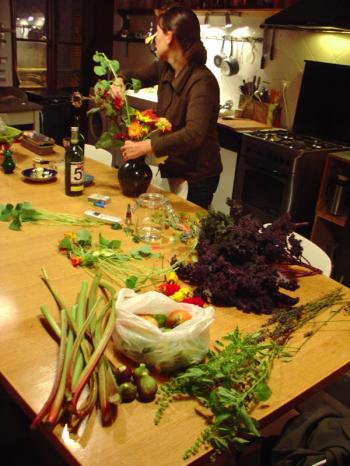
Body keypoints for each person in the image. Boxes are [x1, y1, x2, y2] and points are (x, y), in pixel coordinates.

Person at [119, 6, 222, 209]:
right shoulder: (165, 68)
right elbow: (134, 76)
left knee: (188, 234)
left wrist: (145, 146)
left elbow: (193, 134)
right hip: (175, 168)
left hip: (198, 176)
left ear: (169, 37)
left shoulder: (202, 81)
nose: (153, 38)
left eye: (157, 32)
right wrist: (119, 81)